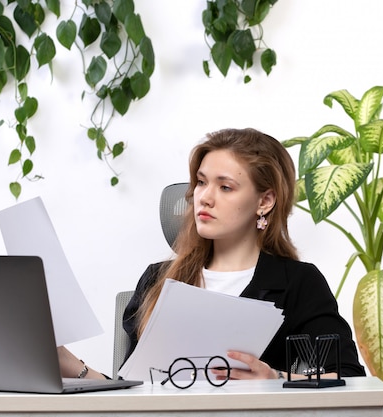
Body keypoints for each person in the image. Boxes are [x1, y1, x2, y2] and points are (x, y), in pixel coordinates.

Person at [60, 127, 366, 380]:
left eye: (226, 187)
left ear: (265, 201)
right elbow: (131, 391)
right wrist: (71, 366)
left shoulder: (298, 282)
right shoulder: (158, 279)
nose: (204, 197)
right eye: (202, 182)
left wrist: (275, 379)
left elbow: (349, 377)